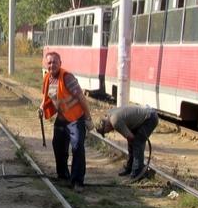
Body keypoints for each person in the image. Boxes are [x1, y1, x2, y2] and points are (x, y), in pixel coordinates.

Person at [38, 52, 94, 193]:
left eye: (55, 62)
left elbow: (81, 98)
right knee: (58, 145)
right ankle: (63, 175)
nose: (52, 65)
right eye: (49, 63)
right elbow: (46, 98)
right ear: (46, 64)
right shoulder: (47, 79)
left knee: (77, 148)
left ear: (60, 63)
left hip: (76, 119)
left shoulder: (67, 78)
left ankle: (77, 182)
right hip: (62, 119)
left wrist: (88, 118)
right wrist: (41, 107)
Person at [96, 105, 159, 179]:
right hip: (146, 116)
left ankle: (137, 174)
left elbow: (131, 137)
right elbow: (129, 137)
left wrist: (131, 141)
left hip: (149, 118)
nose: (108, 132)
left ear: (106, 126)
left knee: (137, 143)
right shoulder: (110, 114)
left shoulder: (115, 121)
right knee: (131, 143)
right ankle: (130, 169)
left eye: (106, 132)